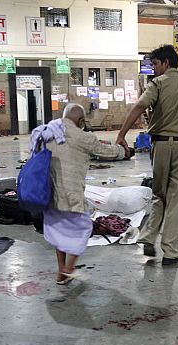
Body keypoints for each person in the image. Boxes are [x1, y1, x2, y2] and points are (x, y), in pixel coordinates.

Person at [116, 44, 178, 266]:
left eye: (156, 64)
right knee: (176, 199)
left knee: (160, 194)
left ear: (167, 62)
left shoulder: (157, 84)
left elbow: (139, 107)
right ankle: (170, 252)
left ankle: (148, 237)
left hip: (160, 145)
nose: (154, 69)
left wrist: (121, 135)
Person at [41, 103, 127, 285]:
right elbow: (107, 151)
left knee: (59, 232)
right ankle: (69, 268)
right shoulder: (82, 136)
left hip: (49, 192)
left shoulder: (48, 131)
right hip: (71, 194)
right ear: (80, 120)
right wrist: (122, 149)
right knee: (83, 229)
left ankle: (61, 273)